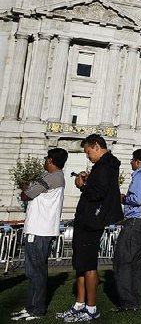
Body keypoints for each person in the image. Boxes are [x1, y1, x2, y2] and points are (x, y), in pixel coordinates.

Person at [57, 135, 123, 322]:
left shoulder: (105, 167)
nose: (87, 156)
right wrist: (88, 180)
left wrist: (82, 185)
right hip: (87, 219)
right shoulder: (104, 167)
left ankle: (91, 307)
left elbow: (97, 194)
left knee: (88, 264)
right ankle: (80, 304)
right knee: (81, 264)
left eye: (87, 152)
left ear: (96, 146)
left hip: (92, 221)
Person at [11, 148, 68, 322]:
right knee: (36, 270)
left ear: (50, 160)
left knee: (35, 271)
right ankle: (32, 306)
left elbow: (26, 195)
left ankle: (36, 308)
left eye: (46, 159)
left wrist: (26, 188)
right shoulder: (57, 177)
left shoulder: (49, 178)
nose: (44, 162)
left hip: (38, 230)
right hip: (44, 229)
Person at [114, 149, 141, 312]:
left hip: (135, 221)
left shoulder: (139, 176)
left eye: (132, 160)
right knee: (135, 262)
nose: (131, 162)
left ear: (138, 162)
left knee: (122, 260)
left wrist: (124, 198)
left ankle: (127, 301)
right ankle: (137, 299)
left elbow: (137, 199)